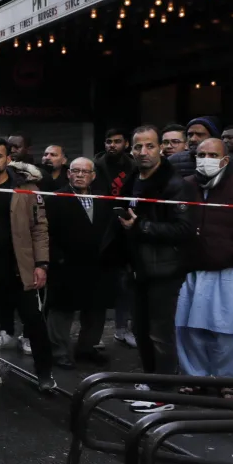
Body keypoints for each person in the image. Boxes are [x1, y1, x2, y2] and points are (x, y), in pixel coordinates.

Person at [174, 138, 233, 382]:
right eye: (201, 155)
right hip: (191, 270)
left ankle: (227, 381)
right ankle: (193, 378)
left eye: (213, 155)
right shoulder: (185, 185)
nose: (206, 160)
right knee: (188, 328)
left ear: (225, 160)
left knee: (228, 330)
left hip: (229, 271)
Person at [0, 139, 54, 393]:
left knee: (34, 322)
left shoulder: (25, 188)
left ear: (8, 159)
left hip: (21, 267)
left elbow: (39, 228)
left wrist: (41, 264)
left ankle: (45, 374)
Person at [117, 125, 196, 381]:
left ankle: (164, 389)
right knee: (140, 330)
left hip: (164, 270)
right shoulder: (131, 182)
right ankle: (151, 382)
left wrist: (141, 226)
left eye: (150, 146)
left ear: (160, 148)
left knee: (160, 333)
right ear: (131, 150)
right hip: (136, 268)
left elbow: (184, 228)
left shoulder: (175, 184)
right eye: (138, 146)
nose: (143, 152)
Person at [44, 158, 114, 369]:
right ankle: (59, 352)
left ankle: (87, 348)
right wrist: (57, 258)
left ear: (93, 175)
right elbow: (46, 233)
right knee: (61, 310)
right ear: (69, 174)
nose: (80, 175)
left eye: (85, 171)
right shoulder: (55, 198)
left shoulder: (103, 199)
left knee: (95, 310)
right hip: (66, 264)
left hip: (97, 265)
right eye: (75, 171)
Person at [96, 126, 138, 350]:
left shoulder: (134, 166)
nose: (112, 145)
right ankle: (95, 334)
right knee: (100, 283)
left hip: (126, 229)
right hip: (101, 228)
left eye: (117, 141)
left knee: (125, 284)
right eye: (108, 141)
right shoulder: (96, 165)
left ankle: (123, 329)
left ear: (126, 144)